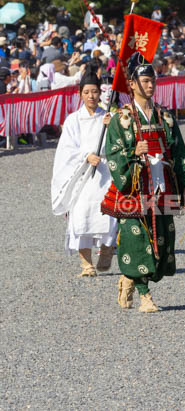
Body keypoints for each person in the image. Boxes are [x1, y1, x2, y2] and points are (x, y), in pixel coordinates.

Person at [105, 52, 185, 314]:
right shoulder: (121, 119)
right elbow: (113, 153)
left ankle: (130, 278)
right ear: (132, 85)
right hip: (133, 185)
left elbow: (179, 153)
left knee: (162, 239)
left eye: (152, 80)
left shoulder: (165, 118)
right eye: (144, 81)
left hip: (162, 185)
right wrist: (134, 152)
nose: (149, 85)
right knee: (138, 239)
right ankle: (145, 295)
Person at [50, 73, 117, 277]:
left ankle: (107, 250)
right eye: (86, 92)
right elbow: (67, 150)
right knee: (80, 216)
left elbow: (119, 144)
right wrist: (86, 155)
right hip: (82, 173)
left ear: (100, 94)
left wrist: (112, 126)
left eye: (94, 92)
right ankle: (86, 264)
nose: (91, 96)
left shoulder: (107, 117)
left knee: (107, 214)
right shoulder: (73, 120)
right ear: (80, 94)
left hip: (104, 171)